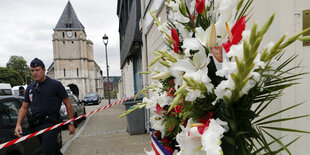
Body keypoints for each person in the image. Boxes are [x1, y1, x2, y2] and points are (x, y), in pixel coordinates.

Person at [14, 58, 75, 155]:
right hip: (36, 125)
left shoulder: (55, 85)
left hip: (51, 123)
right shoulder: (30, 87)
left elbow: (68, 104)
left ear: (44, 70)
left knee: (46, 152)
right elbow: (24, 107)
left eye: (37, 70)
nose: (34, 73)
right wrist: (18, 124)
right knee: (53, 150)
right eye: (32, 70)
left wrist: (70, 123)